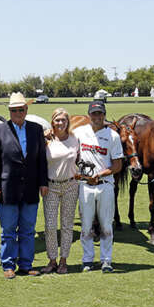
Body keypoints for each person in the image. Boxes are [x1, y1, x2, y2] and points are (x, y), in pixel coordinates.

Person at [0, 92, 49, 279]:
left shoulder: (36, 129)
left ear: (26, 110)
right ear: (9, 111)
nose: (18, 113)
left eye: (21, 110)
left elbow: (41, 160)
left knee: (28, 230)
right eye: (14, 110)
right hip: (7, 190)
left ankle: (26, 264)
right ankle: (8, 265)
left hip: (30, 189)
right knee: (8, 231)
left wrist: (43, 182)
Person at [72, 100, 123, 273]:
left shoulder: (113, 136)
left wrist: (100, 174)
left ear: (104, 115)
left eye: (100, 113)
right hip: (85, 186)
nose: (97, 117)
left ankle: (106, 260)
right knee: (86, 226)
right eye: (94, 114)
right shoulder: (79, 132)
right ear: (89, 115)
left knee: (106, 226)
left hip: (105, 185)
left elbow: (118, 165)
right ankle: (87, 260)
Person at [41, 108, 79, 274]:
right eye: (57, 120)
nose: (60, 123)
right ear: (52, 122)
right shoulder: (46, 139)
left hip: (71, 185)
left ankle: (64, 261)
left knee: (67, 226)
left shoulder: (75, 138)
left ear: (68, 122)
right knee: (50, 226)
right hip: (51, 186)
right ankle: (52, 260)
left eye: (64, 120)